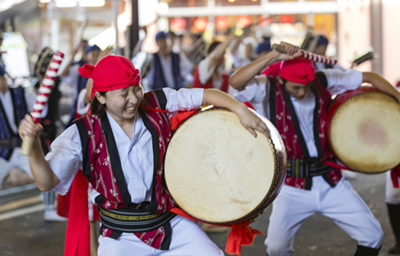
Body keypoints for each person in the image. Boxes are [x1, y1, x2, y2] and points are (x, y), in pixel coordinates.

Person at [18, 55, 269, 256]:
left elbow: (204, 94)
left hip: (172, 225)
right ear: (101, 97)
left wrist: (239, 109)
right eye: (123, 94)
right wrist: (36, 145)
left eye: (135, 89)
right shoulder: (82, 134)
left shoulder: (157, 103)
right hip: (121, 236)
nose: (133, 99)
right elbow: (46, 181)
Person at [229, 42, 400, 256]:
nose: (302, 92)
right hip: (291, 186)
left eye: (306, 86)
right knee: (276, 247)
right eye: (295, 87)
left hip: (330, 181)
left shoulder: (322, 81)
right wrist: (273, 57)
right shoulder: (266, 88)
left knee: (373, 236)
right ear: (282, 79)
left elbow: (370, 78)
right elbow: (236, 80)